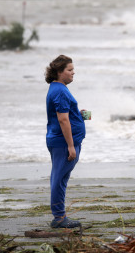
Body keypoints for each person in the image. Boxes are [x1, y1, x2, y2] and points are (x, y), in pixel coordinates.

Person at [45, 54, 86, 228]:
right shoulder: (60, 91)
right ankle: (59, 218)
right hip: (63, 143)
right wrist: (70, 146)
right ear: (60, 72)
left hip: (61, 141)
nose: (73, 73)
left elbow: (66, 115)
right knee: (59, 179)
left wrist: (79, 115)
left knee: (60, 178)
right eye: (70, 70)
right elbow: (63, 120)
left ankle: (59, 216)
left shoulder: (58, 88)